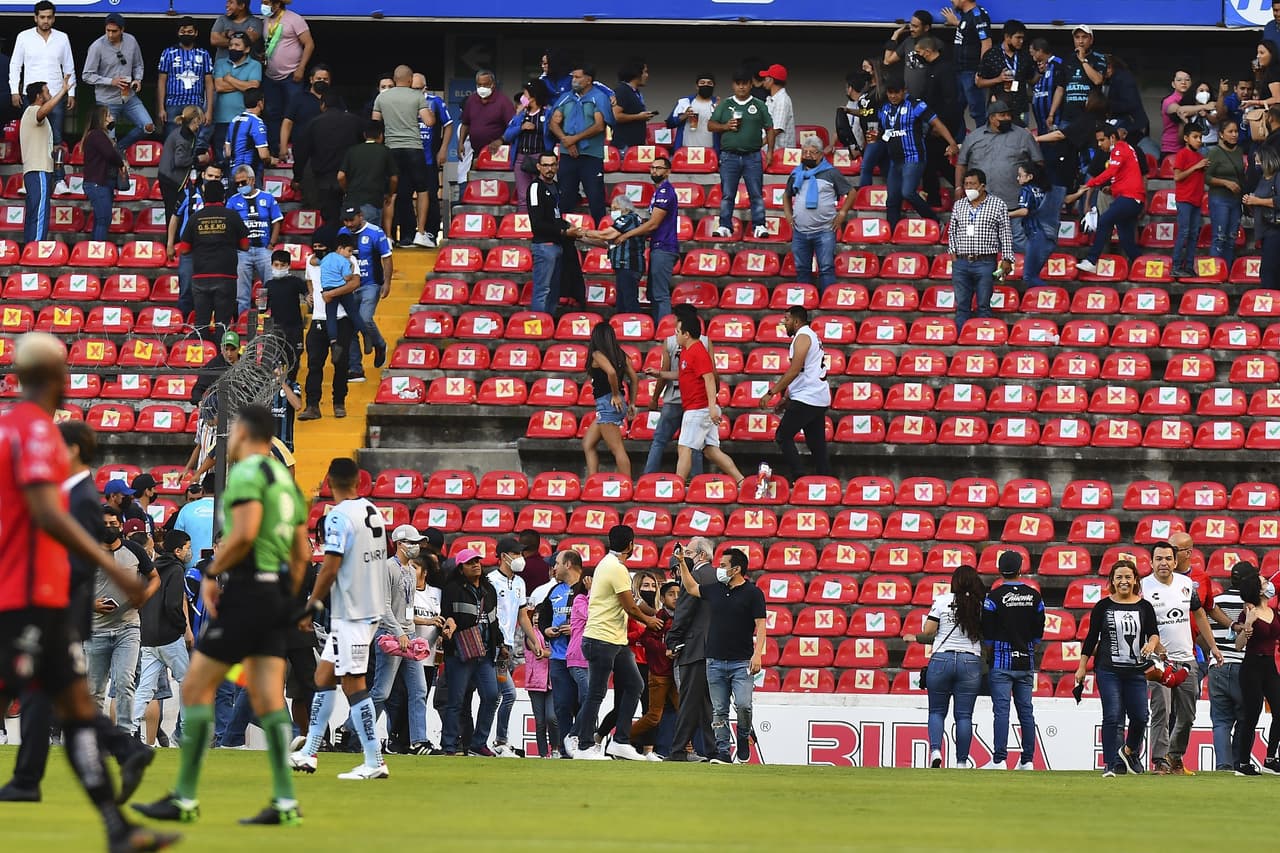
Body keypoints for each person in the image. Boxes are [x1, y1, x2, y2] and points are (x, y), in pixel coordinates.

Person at [0, 333, 176, 850]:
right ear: (56, 376)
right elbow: (45, 512)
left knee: (77, 709)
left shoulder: (13, 428)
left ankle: (118, 830)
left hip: (41, 594)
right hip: (26, 593)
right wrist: (116, 569)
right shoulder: (33, 431)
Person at [134, 404, 307, 826]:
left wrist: (213, 570)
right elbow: (302, 552)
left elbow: (244, 533)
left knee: (194, 687)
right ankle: (285, 801)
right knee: (267, 696)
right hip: (275, 595)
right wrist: (287, 598)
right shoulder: (286, 483)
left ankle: (185, 797)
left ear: (245, 433)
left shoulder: (248, 473)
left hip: (246, 594)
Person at [289, 457, 390, 779]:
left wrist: (311, 604)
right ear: (359, 481)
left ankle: (374, 761)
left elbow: (330, 566)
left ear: (328, 479)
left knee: (354, 684)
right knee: (323, 676)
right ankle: (309, 752)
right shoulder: (372, 511)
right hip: (365, 607)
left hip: (354, 613)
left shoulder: (337, 517)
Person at [570, 525, 662, 761]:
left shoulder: (606, 564)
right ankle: (584, 745)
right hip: (602, 638)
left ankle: (620, 741)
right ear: (631, 545)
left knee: (634, 684)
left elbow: (634, 602)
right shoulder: (617, 568)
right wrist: (649, 621)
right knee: (597, 693)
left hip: (614, 640)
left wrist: (652, 614)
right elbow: (630, 606)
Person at [675, 547, 765, 764]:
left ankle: (743, 737)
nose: (719, 569)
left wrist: (757, 654)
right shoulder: (715, 589)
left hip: (741, 662)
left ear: (736, 569)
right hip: (714, 660)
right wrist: (683, 565)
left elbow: (761, 626)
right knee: (719, 710)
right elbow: (691, 587)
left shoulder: (753, 593)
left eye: (723, 565)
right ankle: (723, 751)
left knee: (744, 705)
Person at [1075, 559, 1161, 778]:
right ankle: (1112, 764)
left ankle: (1129, 752)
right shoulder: (1103, 606)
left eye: (1128, 577)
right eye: (1119, 577)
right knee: (1112, 716)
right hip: (1108, 670)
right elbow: (1091, 637)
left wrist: (1151, 644)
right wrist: (1082, 667)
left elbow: (1153, 632)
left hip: (1135, 670)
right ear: (1112, 581)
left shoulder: (1144, 606)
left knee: (1140, 716)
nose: (1124, 581)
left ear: (1135, 580)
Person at [1143, 541, 1223, 775]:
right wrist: (1151, 647)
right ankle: (1159, 761)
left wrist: (1213, 647)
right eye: (1159, 559)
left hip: (1187, 658)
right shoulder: (1144, 588)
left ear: (1176, 562)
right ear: (1151, 562)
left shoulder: (1186, 584)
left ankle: (1175, 756)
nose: (1164, 563)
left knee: (1188, 715)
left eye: (1168, 558)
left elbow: (1199, 614)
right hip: (1160, 660)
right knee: (1162, 711)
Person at [908, 564, 985, 769]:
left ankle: (935, 751)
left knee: (936, 711)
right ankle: (961, 762)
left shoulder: (942, 601)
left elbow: (928, 631)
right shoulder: (981, 605)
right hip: (970, 660)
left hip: (942, 659)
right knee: (964, 716)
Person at [660, 312, 744, 484]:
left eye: (677, 332)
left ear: (686, 334)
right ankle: (741, 481)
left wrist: (712, 407)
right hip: (700, 408)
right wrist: (660, 374)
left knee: (684, 448)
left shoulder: (698, 351)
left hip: (699, 409)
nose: (674, 335)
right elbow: (683, 374)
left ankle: (677, 487)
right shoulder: (686, 351)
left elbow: (709, 378)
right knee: (711, 451)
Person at [369, 525, 430, 755]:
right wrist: (400, 633)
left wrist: (410, 633)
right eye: (411, 542)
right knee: (381, 692)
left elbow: (408, 605)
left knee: (419, 689)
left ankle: (419, 740)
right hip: (389, 634)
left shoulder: (410, 571)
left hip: (407, 635)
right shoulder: (386, 568)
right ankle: (353, 730)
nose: (415, 546)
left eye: (417, 542)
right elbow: (382, 606)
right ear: (399, 543)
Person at [981, 551, 1045, 770]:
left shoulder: (993, 597)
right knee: (1026, 711)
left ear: (1000, 570)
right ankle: (1027, 760)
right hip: (1025, 660)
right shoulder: (1034, 595)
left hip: (1001, 660)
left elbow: (987, 632)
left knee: (1001, 711)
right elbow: (1039, 628)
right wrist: (1031, 646)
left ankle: (999, 759)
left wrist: (991, 651)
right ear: (1021, 569)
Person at [435, 548, 501, 757]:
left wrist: (501, 643)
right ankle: (449, 745)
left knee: (491, 696)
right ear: (460, 568)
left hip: (485, 653)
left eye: (477, 561)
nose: (476, 565)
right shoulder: (452, 589)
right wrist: (449, 626)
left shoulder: (489, 590)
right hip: (460, 652)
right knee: (456, 700)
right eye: (470, 562)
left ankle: (477, 743)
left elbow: (493, 621)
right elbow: (446, 616)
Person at [875, 75, 959, 236]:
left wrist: (952, 143)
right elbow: (883, 131)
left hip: (913, 158)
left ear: (904, 91)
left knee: (907, 192)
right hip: (895, 161)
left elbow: (937, 123)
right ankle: (892, 233)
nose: (893, 96)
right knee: (892, 199)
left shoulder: (916, 105)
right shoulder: (884, 108)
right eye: (890, 93)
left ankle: (936, 222)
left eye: (896, 92)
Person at [130, 530, 192, 740]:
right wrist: (181, 627)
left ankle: (128, 730)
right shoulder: (176, 569)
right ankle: (185, 732)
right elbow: (173, 604)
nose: (189, 552)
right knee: (187, 682)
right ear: (177, 550)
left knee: (144, 689)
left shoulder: (152, 568)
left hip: (148, 637)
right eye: (187, 547)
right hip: (170, 637)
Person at [760, 307, 830, 479]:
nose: (784, 323)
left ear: (797, 321)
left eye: (787, 319)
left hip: (808, 397)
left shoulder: (803, 337)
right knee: (816, 444)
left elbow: (794, 370)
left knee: (783, 436)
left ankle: (799, 477)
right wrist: (786, 398)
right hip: (818, 397)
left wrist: (771, 393)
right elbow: (803, 372)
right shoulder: (811, 336)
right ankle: (826, 479)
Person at [607, 154, 678, 321]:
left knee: (660, 294)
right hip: (658, 246)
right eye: (652, 167)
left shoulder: (665, 191)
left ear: (668, 172)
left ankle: (664, 331)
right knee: (654, 293)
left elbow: (653, 224)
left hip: (664, 246)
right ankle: (659, 328)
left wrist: (627, 234)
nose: (654, 171)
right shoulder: (658, 191)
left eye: (658, 168)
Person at [488, 537, 542, 757]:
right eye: (516, 553)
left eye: (521, 553)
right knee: (508, 693)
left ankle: (487, 740)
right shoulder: (491, 580)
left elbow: (523, 616)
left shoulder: (519, 583)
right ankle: (500, 741)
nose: (520, 558)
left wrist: (535, 641)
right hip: (496, 648)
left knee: (497, 695)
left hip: (508, 648)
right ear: (503, 556)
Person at [1065, 124, 1145, 272]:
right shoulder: (1124, 149)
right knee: (1127, 241)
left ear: (1112, 138)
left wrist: (1088, 185)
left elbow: (1110, 172)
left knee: (1105, 220)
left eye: (1102, 140)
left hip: (1130, 198)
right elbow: (1125, 175)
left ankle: (1092, 260)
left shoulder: (1119, 149)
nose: (1099, 144)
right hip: (1131, 198)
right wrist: (1112, 188)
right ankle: (1142, 267)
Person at [372, 65, 435, 249]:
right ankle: (421, 233)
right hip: (414, 148)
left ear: (394, 78)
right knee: (422, 190)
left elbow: (375, 122)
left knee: (390, 193)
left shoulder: (382, 97)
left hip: (391, 149)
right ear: (409, 80)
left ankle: (389, 236)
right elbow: (429, 122)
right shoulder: (416, 96)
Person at [666, 536, 717, 761]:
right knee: (708, 704)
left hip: (695, 648)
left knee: (688, 701)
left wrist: (672, 640)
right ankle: (715, 750)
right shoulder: (721, 577)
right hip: (716, 649)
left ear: (701, 555)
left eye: (687, 552)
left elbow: (683, 613)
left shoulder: (694, 577)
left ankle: (677, 751)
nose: (683, 557)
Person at [643, 304, 706, 477]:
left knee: (659, 441)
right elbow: (710, 373)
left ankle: (648, 477)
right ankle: (696, 482)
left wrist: (655, 398)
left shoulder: (670, 341)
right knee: (695, 445)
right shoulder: (705, 342)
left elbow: (664, 372)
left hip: (673, 398)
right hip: (696, 401)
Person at [709, 69, 773, 240]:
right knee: (728, 194)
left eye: (745, 83)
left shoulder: (759, 104)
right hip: (729, 156)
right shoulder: (725, 104)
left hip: (753, 156)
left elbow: (770, 128)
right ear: (733, 85)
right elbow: (710, 125)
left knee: (756, 194)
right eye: (738, 84)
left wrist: (771, 152)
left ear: (750, 85)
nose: (742, 87)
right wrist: (725, 127)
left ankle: (759, 225)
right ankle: (724, 226)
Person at [784, 137, 854, 293]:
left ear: (821, 155)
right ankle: (805, 302)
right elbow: (787, 195)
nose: (807, 155)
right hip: (800, 231)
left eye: (812, 152)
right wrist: (788, 215)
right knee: (802, 268)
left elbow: (851, 192)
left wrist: (842, 213)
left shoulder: (831, 173)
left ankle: (828, 303)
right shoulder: (796, 174)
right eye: (805, 152)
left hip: (825, 230)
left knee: (826, 267)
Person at [178, 178, 249, 331]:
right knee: (222, 324)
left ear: (204, 196)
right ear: (224, 197)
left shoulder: (195, 218)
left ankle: (204, 353)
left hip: (200, 278)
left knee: (201, 324)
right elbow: (245, 246)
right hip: (226, 277)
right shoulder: (232, 216)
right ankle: (221, 354)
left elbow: (184, 249)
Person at [298, 227, 353, 420]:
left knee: (341, 362)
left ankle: (339, 402)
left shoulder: (347, 259)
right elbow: (308, 279)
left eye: (321, 246)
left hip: (341, 318)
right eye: (315, 247)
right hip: (318, 319)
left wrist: (331, 294)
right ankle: (312, 405)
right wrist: (311, 294)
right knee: (314, 363)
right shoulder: (310, 261)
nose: (317, 250)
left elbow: (354, 283)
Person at [948, 168, 1014, 327]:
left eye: (972, 184)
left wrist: (1007, 259)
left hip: (985, 262)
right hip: (961, 263)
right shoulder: (959, 205)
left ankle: (981, 339)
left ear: (982, 186)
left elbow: (1005, 233)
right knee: (962, 306)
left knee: (983, 305)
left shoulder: (998, 204)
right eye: (966, 184)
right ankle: (961, 338)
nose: (968, 188)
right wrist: (954, 256)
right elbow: (952, 231)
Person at [955, 98, 1042, 218]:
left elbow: (1039, 163)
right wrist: (959, 187)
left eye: (1008, 115)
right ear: (991, 118)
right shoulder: (973, 137)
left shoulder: (1024, 135)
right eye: (1002, 115)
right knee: (983, 236)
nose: (1007, 118)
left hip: (1014, 203)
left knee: (1016, 237)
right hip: (980, 203)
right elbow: (961, 163)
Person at [81, 13, 154, 152]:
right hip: (106, 100)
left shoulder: (131, 41)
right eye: (107, 30)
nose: (110, 34)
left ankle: (120, 149)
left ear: (122, 30)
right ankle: (114, 156)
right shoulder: (97, 46)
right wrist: (110, 81)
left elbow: (138, 65)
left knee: (148, 126)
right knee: (109, 141)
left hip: (128, 96)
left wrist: (138, 79)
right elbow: (86, 75)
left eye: (114, 31)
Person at [9, 1, 75, 151]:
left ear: (54, 18)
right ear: (35, 18)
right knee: (31, 136)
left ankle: (57, 174)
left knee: (56, 139)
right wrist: (14, 91)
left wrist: (71, 93)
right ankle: (33, 173)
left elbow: (69, 67)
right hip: (31, 96)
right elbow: (15, 65)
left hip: (56, 94)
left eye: (49, 17)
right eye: (42, 17)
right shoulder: (24, 37)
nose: (46, 21)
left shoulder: (62, 38)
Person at [537, 550, 584, 755]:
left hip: (583, 659)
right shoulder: (555, 590)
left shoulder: (588, 588)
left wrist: (577, 630)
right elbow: (544, 617)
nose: (553, 568)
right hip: (558, 658)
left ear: (568, 564)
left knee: (585, 703)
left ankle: (584, 744)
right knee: (562, 707)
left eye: (556, 563)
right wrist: (546, 630)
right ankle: (566, 750)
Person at [550, 64, 610, 223]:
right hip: (567, 155)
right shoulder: (566, 97)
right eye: (573, 77)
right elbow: (554, 123)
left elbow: (599, 126)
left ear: (588, 79)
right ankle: (563, 233)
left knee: (596, 197)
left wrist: (574, 140)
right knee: (564, 196)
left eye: (577, 77)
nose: (573, 80)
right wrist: (567, 141)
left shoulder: (599, 97)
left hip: (591, 156)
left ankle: (599, 235)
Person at [1233, 573, 1280, 775]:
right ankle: (1243, 763)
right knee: (1251, 715)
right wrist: (1249, 624)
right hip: (1252, 664)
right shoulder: (1248, 613)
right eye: (1265, 583)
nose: (1269, 584)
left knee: (1279, 712)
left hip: (1270, 665)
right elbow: (1238, 645)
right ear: (1258, 589)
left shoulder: (1273, 611)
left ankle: (1270, 759)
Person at [294, 93, 364, 226]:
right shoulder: (356, 121)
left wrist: (297, 177)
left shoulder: (313, 123)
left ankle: (331, 244)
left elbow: (301, 152)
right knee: (351, 217)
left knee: (330, 219)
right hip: (351, 179)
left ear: (323, 105)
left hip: (324, 179)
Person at [337, 205, 391, 374]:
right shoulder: (342, 233)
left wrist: (387, 283)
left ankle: (379, 344)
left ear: (361, 216)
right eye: (345, 220)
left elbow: (387, 258)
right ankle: (355, 368)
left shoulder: (376, 232)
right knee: (349, 326)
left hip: (371, 284)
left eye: (351, 220)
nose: (349, 224)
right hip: (349, 285)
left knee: (364, 319)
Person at [1209, 562, 1252, 771]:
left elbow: (1202, 634)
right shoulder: (1252, 605)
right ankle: (1238, 764)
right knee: (1245, 720)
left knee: (1221, 721)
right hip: (1243, 667)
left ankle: (1223, 766)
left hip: (1217, 665)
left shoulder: (1215, 602)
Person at [528, 151, 581, 316]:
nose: (549, 168)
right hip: (544, 246)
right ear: (538, 167)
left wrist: (567, 226)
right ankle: (538, 327)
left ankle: (548, 325)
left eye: (552, 165)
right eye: (545, 165)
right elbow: (537, 223)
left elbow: (554, 217)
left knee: (553, 291)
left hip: (558, 245)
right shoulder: (536, 187)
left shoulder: (556, 186)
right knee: (542, 290)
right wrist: (564, 231)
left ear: (557, 166)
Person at [582, 323, 638, 479]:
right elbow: (634, 379)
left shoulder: (597, 354)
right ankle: (592, 480)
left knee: (617, 449)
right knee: (588, 443)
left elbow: (611, 373)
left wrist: (614, 394)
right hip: (614, 404)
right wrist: (632, 402)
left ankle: (627, 484)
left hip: (608, 403)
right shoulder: (621, 355)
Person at [630, 580, 680, 754]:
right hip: (659, 674)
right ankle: (623, 738)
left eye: (679, 594)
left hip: (677, 673)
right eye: (671, 594)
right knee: (653, 716)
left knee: (683, 712)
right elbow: (646, 640)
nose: (676, 597)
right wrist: (665, 649)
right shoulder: (659, 618)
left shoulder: (683, 616)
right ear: (663, 598)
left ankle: (687, 750)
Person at [227, 164, 283, 314]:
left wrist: (271, 244)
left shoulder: (268, 198)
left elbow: (277, 221)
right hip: (242, 252)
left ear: (252, 180)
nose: (240, 186)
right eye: (237, 183)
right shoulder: (232, 201)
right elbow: (229, 226)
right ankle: (243, 322)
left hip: (264, 250)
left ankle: (266, 317)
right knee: (242, 292)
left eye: (243, 182)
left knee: (268, 287)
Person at [260, 0, 313, 153]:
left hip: (292, 76)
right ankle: (276, 149)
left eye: (267, 2)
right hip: (270, 76)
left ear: (277, 4)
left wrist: (301, 68)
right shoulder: (266, 20)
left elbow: (309, 44)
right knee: (272, 113)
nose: (264, 5)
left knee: (295, 112)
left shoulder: (295, 19)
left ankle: (297, 148)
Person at [19, 76, 68, 245]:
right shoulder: (33, 111)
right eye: (47, 92)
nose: (49, 94)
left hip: (35, 169)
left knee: (33, 212)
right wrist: (63, 91)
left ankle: (29, 247)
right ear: (39, 96)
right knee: (40, 211)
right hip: (39, 170)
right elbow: (43, 111)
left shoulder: (32, 115)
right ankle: (37, 248)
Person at [156, 17, 213, 147]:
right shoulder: (168, 53)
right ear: (178, 32)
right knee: (172, 143)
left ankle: (192, 167)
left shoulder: (204, 54)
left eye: (189, 31)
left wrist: (208, 110)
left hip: (195, 105)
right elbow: (161, 81)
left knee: (193, 143)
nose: (186, 34)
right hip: (172, 104)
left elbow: (209, 84)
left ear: (196, 33)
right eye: (183, 31)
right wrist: (161, 108)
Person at [585, 195, 646, 314]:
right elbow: (606, 242)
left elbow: (607, 235)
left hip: (628, 265)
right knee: (622, 301)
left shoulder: (629, 218)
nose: (613, 212)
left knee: (629, 302)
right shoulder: (625, 224)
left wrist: (584, 231)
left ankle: (632, 327)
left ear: (626, 209)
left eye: (616, 208)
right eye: (612, 209)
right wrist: (579, 236)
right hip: (623, 267)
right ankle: (623, 327)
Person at [503, 78, 555, 214]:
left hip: (540, 159)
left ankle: (541, 224)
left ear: (533, 97)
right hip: (521, 159)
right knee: (523, 197)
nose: (523, 98)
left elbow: (551, 135)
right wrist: (521, 126)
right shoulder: (521, 115)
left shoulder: (547, 113)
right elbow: (507, 135)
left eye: (525, 95)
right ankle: (524, 227)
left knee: (540, 195)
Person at [456, 69, 515, 187]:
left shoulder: (503, 101)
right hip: (477, 152)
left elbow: (513, 126)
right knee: (477, 184)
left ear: (492, 84)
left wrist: (501, 140)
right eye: (479, 85)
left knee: (494, 186)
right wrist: (461, 143)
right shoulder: (472, 100)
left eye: (485, 84)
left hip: (497, 153)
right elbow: (466, 123)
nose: (482, 87)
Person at [211, 33, 262, 167]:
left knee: (244, 162)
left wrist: (230, 79)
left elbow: (254, 86)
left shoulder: (255, 65)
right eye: (231, 45)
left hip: (245, 120)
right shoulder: (221, 63)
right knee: (222, 161)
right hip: (222, 119)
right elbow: (219, 87)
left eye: (237, 45)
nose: (233, 48)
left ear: (247, 49)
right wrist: (243, 84)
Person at [339, 119, 399, 233]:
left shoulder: (352, 150)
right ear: (381, 135)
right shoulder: (385, 151)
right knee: (370, 239)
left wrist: (347, 190)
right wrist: (390, 194)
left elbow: (340, 176)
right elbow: (394, 178)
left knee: (352, 240)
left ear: (364, 135)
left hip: (351, 203)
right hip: (373, 201)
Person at [939, 0, 992, 128]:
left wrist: (980, 71)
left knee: (977, 111)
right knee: (956, 109)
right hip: (960, 71)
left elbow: (987, 43)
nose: (952, 0)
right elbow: (970, 30)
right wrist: (956, 22)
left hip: (971, 71)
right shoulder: (966, 16)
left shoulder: (978, 14)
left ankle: (984, 143)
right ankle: (960, 143)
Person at [81, 105, 125, 243]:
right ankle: (97, 252)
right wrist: (121, 163)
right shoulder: (97, 135)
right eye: (108, 116)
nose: (111, 118)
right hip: (97, 184)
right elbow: (110, 154)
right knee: (103, 218)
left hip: (101, 183)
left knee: (102, 218)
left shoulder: (97, 135)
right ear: (101, 119)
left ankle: (95, 250)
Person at [975, 20, 1034, 122]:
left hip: (1021, 108)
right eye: (1018, 37)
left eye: (1023, 38)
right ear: (1007, 37)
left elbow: (1031, 79)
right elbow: (979, 83)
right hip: (999, 110)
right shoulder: (991, 54)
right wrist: (998, 79)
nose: (1021, 41)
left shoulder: (1025, 56)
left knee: (1021, 137)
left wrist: (1042, 71)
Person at [1206, 119, 1246, 266]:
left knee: (1232, 237)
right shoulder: (1214, 152)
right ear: (1221, 134)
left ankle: (1227, 270)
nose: (1234, 135)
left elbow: (1241, 176)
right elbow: (1206, 177)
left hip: (1235, 200)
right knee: (1219, 237)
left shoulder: (1239, 151)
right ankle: (1215, 272)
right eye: (1230, 132)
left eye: (1236, 131)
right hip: (1219, 199)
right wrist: (1225, 183)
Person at [1171, 123, 1209, 278]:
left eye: (1200, 137)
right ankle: (1176, 265)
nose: (1198, 140)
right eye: (1195, 137)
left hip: (1196, 200)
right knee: (1184, 232)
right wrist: (1196, 167)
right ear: (1186, 138)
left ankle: (1189, 265)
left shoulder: (1200, 157)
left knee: (1193, 234)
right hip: (1184, 199)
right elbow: (1177, 176)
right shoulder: (1182, 154)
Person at [158, 106, 204, 229]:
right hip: (171, 179)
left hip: (170, 177)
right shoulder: (183, 137)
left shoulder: (183, 132)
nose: (200, 124)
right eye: (199, 120)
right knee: (173, 213)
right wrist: (198, 159)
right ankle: (171, 243)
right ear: (195, 120)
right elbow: (180, 161)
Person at [265, 249, 307, 380]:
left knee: (294, 356)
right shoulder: (269, 285)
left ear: (288, 266)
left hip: (295, 327)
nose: (279, 268)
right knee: (276, 358)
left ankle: (292, 382)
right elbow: (263, 308)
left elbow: (308, 293)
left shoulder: (295, 281)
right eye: (276, 265)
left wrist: (308, 297)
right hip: (277, 328)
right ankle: (278, 384)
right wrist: (259, 302)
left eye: (282, 265)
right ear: (271, 265)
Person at [1009, 161, 1051, 287]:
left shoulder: (1026, 190)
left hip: (1035, 235)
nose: (1018, 178)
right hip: (1046, 234)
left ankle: (1051, 295)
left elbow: (1024, 211)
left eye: (1020, 175)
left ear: (1029, 177)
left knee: (1029, 276)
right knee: (1034, 274)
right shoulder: (1043, 189)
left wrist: (1006, 214)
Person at [1055, 25, 1106, 128]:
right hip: (1068, 116)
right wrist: (1051, 114)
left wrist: (1083, 60)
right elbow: (1060, 89)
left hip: (1090, 115)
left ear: (1091, 40)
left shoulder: (1099, 58)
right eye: (1077, 37)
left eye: (1084, 37)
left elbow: (1097, 80)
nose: (1080, 41)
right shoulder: (1067, 59)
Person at [278, 63, 331, 160]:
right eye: (318, 79)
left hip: (328, 150)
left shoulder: (335, 99)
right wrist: (283, 147)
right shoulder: (298, 98)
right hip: (302, 150)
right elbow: (287, 123)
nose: (322, 81)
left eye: (325, 79)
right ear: (311, 80)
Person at [1245, 146, 1280, 289]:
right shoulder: (1262, 179)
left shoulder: (1278, 177)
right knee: (1269, 270)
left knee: (1269, 271)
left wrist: (1257, 201)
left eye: (1258, 162)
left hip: (1275, 230)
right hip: (1264, 231)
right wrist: (1250, 202)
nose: (1256, 165)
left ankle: (1271, 302)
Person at [225, 88, 272, 183]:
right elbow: (263, 155)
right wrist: (271, 160)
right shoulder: (257, 122)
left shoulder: (234, 120)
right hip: (250, 174)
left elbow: (227, 152)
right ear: (260, 103)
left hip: (234, 173)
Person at [612, 58, 657, 155]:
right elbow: (616, 116)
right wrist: (639, 117)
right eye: (645, 72)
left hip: (635, 145)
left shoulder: (635, 92)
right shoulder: (622, 91)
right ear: (636, 73)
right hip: (625, 145)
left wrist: (643, 117)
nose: (647, 75)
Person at [883, 11, 934, 95]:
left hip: (927, 97)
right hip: (908, 96)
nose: (911, 29)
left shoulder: (935, 44)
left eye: (915, 26)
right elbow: (887, 61)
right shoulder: (908, 41)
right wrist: (895, 35)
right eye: (911, 25)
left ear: (926, 28)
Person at [666, 73, 717, 149]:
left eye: (709, 83)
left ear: (713, 86)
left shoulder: (718, 104)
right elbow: (669, 123)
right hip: (685, 149)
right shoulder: (685, 102)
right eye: (702, 83)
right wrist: (684, 116)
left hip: (710, 151)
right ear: (697, 86)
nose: (706, 85)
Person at [1028, 38, 1063, 135]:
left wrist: (1051, 114)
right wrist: (1039, 73)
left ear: (1040, 51)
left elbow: (1060, 89)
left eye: (1033, 52)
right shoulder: (1038, 67)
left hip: (1054, 120)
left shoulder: (1058, 64)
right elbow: (1032, 84)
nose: (1032, 56)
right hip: (1040, 122)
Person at [758, 63, 793, 150]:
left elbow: (776, 130)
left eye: (765, 78)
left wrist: (757, 145)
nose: (763, 81)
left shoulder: (782, 100)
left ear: (771, 80)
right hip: (770, 151)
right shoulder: (772, 99)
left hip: (779, 153)